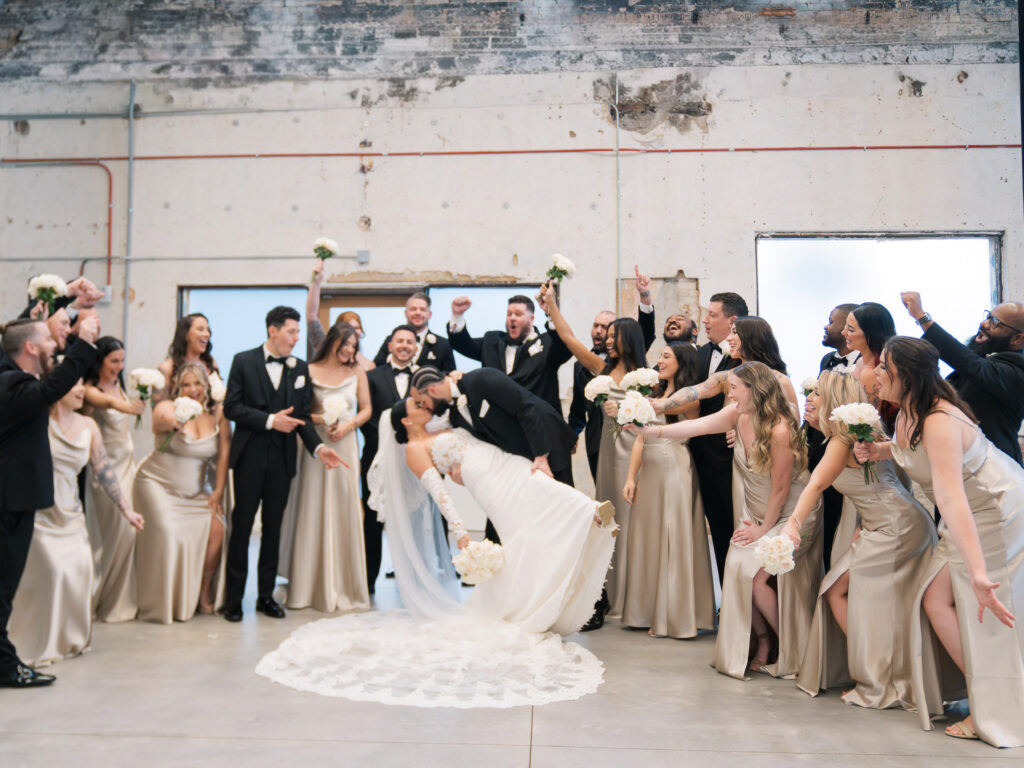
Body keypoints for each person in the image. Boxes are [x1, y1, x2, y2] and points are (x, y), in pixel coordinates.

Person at [255, 397, 617, 708]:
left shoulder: (443, 424)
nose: (423, 404)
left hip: (503, 463)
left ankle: (586, 512)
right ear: (405, 420)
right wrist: (460, 531)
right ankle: (576, 530)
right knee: (522, 530)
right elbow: (438, 493)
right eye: (416, 404)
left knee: (538, 488)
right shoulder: (414, 449)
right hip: (490, 485)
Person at [854, 337, 1023, 746]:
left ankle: (1000, 707)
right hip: (970, 512)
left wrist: (978, 573)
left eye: (884, 368)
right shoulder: (911, 410)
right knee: (935, 599)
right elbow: (911, 452)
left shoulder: (939, 420)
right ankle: (986, 693)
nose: (876, 372)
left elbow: (952, 499)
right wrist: (879, 451)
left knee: (983, 611)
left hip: (994, 511)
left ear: (907, 377)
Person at [630, 362, 822, 679]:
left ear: (755, 390)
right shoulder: (738, 413)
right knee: (734, 568)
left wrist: (764, 529)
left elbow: (781, 489)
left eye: (734, 388)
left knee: (756, 579)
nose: (729, 394)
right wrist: (647, 431)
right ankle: (762, 641)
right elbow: (694, 428)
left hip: (789, 514)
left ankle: (792, 648)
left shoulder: (780, 430)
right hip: (758, 513)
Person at [785, 370, 936, 709]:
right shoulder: (862, 433)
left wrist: (791, 525)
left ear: (834, 400)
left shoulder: (842, 441)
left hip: (894, 528)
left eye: (817, 393)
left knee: (842, 593)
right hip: (898, 521)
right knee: (844, 593)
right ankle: (882, 672)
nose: (810, 398)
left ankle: (880, 680)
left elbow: (816, 485)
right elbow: (898, 482)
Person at [220, 306, 344, 623]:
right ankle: (233, 599)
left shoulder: (299, 368)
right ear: (272, 330)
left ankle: (266, 596)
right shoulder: (243, 361)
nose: (296, 338)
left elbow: (301, 417)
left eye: (298, 332)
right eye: (291, 331)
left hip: (282, 460)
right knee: (242, 528)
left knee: (273, 529)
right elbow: (231, 407)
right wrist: (269, 420)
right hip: (249, 458)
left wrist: (318, 449)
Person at [10, 381, 143, 664]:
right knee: (53, 571)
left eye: (83, 384)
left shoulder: (89, 426)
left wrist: (126, 509)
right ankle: (39, 640)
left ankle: (69, 639)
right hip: (41, 515)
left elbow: (104, 468)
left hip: (72, 515)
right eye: (73, 385)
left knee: (81, 567)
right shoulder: (37, 421)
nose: (81, 390)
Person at [540, 282, 648, 624]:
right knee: (607, 520)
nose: (608, 340)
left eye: (614, 335)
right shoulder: (600, 369)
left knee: (638, 521)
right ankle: (602, 598)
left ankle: (638, 595)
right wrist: (552, 305)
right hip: (608, 452)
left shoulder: (648, 376)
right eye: (607, 334)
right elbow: (569, 338)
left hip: (639, 452)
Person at [0, 315, 99, 688]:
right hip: (9, 502)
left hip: (13, 500)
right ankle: (5, 667)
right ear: (29, 347)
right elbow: (51, 388)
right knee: (3, 590)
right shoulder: (13, 383)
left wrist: (63, 299)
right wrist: (83, 343)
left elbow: (20, 333)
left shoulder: (10, 375)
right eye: (47, 338)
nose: (56, 343)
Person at [620, 343, 715, 638]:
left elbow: (669, 417)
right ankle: (645, 609)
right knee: (648, 537)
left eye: (666, 357)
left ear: (681, 362)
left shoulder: (688, 398)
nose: (659, 361)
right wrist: (631, 477)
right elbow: (640, 439)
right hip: (650, 471)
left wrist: (637, 403)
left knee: (671, 536)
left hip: (674, 466)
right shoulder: (655, 394)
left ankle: (670, 616)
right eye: (660, 356)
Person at [279, 322, 371, 613]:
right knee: (312, 506)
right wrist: (324, 420)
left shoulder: (357, 372)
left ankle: (345, 584)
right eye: (345, 344)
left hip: (345, 444)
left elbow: (366, 409)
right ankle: (308, 584)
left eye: (354, 346)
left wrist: (347, 426)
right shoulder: (308, 370)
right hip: (314, 447)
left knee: (344, 504)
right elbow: (302, 411)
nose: (349, 350)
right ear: (332, 342)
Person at [134, 363, 232, 622]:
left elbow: (224, 454)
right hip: (157, 486)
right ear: (178, 387)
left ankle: (203, 590)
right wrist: (176, 420)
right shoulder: (168, 407)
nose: (193, 389)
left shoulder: (218, 415)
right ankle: (167, 599)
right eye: (186, 384)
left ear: (206, 387)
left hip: (195, 493)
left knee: (217, 528)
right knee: (169, 532)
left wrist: (218, 491)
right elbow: (159, 421)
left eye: (198, 383)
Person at [901, 291, 1024, 465]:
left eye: (994, 322)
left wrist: (922, 318)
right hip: (963, 456)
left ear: (1017, 339)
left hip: (996, 465)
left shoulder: (1017, 370)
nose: (984, 323)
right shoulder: (985, 355)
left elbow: (969, 364)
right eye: (988, 317)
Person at [82, 337, 146, 622]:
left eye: (122, 360)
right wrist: (128, 408)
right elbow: (106, 402)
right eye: (113, 361)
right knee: (113, 534)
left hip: (127, 466)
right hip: (105, 472)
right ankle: (102, 598)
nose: (119, 366)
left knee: (129, 534)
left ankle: (121, 600)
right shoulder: (90, 390)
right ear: (99, 361)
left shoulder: (118, 383)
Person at [688, 292, 747, 583]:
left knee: (742, 531)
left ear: (732, 320)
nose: (705, 320)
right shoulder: (701, 354)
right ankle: (729, 597)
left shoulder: (751, 358)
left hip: (735, 458)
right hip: (704, 457)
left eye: (712, 314)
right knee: (720, 532)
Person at [361, 324, 419, 593]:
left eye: (409, 342)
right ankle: (368, 579)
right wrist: (388, 442)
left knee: (412, 518)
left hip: (412, 460)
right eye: (400, 341)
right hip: (376, 457)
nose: (404, 345)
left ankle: (412, 579)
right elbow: (366, 417)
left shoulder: (424, 378)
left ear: (416, 347)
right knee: (373, 520)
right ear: (390, 346)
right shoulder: (372, 377)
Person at [447, 292, 572, 415]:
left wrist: (551, 312)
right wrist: (457, 315)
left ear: (531, 319)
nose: (512, 318)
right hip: (498, 422)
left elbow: (565, 348)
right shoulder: (491, 341)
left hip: (539, 421)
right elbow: (463, 345)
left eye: (518, 314)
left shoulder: (547, 343)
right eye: (509, 314)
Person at [807, 303, 859, 569]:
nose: (826, 327)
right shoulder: (827, 360)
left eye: (831, 321)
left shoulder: (866, 365)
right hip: (822, 446)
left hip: (850, 453)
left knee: (845, 523)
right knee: (825, 520)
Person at [566, 309, 615, 481]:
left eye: (604, 327)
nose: (598, 331)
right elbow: (578, 409)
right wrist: (571, 436)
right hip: (595, 442)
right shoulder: (579, 366)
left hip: (621, 439)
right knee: (601, 491)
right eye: (596, 325)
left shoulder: (623, 361)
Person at [305, 260, 375, 371]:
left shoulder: (368, 364)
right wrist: (316, 283)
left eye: (357, 328)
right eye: (349, 327)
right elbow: (312, 316)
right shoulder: (326, 349)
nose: (353, 332)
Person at [372, 292, 456, 373]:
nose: (418, 313)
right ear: (406, 313)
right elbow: (376, 368)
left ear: (430, 314)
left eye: (422, 309)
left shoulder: (443, 344)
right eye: (413, 309)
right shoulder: (391, 339)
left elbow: (450, 375)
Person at [842, 303, 896, 413]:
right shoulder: (859, 361)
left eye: (851, 330)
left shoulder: (871, 373)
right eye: (845, 326)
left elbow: (869, 420)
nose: (843, 332)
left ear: (871, 334)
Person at [156, 313, 219, 402]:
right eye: (200, 329)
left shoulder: (211, 362)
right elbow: (159, 405)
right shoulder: (167, 367)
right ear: (185, 334)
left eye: (207, 330)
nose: (207, 334)